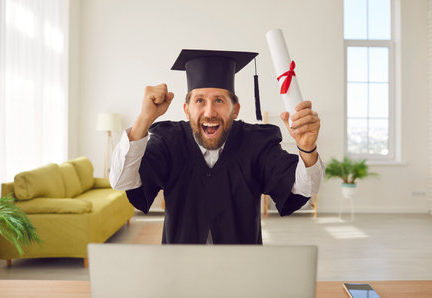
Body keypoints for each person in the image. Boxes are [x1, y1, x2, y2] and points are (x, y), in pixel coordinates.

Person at [110, 49, 324, 244]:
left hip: (241, 274)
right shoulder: (170, 141)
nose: (210, 112)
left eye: (219, 100)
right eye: (200, 100)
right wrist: (144, 119)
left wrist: (307, 149)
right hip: (179, 272)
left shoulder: (256, 143)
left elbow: (305, 187)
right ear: (187, 109)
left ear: (236, 109)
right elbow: (121, 180)